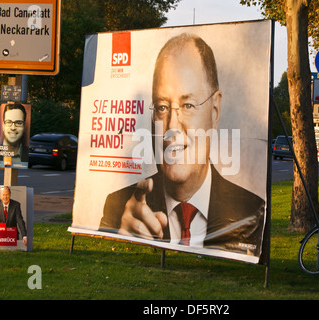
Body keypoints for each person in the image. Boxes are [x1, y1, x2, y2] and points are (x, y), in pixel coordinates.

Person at [99, 33, 265, 255]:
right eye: (162, 107)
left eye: (187, 105)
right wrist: (122, 245)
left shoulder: (253, 213)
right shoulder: (119, 208)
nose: (171, 127)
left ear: (215, 111)